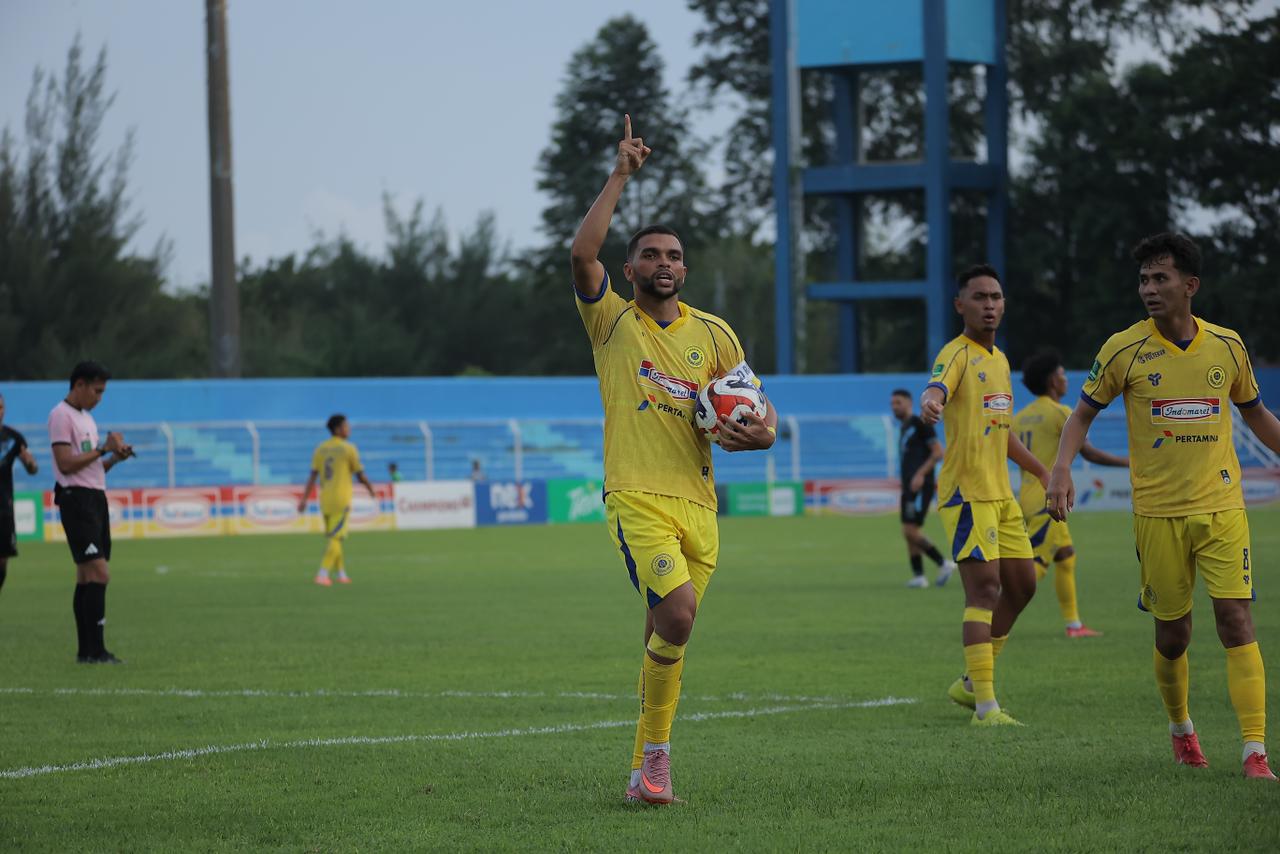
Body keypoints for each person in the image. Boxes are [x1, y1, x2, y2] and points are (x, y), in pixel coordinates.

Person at [571, 115, 778, 805]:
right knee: (680, 617)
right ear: (630, 269)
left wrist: (766, 435)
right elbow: (580, 254)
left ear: (684, 269)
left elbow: (756, 404)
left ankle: (643, 776)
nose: (665, 264)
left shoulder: (715, 334)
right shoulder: (612, 323)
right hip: (635, 494)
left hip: (699, 505)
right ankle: (658, 757)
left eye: (674, 256)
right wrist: (621, 174)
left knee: (667, 633)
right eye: (651, 255)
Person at [1047, 232, 1280, 780]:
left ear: (1189, 286)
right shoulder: (1123, 349)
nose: (1149, 289)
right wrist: (1060, 469)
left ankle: (1255, 751)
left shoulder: (1227, 346)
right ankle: (1182, 730)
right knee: (1173, 634)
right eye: (1144, 280)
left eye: (1160, 278)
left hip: (1223, 507)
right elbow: (1080, 415)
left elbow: (1256, 414)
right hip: (1157, 513)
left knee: (1236, 620)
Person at [920, 265, 1049, 726]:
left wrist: (1042, 472)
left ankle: (973, 682)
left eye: (995, 296)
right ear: (961, 305)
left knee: (1024, 585)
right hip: (967, 493)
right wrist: (931, 400)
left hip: (1002, 495)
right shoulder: (956, 354)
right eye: (979, 297)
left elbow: (1003, 431)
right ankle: (985, 708)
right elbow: (937, 385)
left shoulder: (1001, 361)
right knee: (985, 590)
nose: (989, 305)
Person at [1013, 349, 1128, 637]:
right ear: (1053, 380)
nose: (1066, 380)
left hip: (1028, 494)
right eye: (1063, 374)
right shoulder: (1061, 413)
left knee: (1065, 555)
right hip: (1047, 496)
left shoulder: (1020, 418)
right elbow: (1088, 453)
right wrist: (1129, 462)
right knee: (1037, 564)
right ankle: (993, 612)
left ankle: (1074, 625)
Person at [48, 361, 134, 663]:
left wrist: (113, 457)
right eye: (96, 391)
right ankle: (97, 650)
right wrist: (102, 449)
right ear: (79, 384)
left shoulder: (86, 418)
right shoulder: (61, 415)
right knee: (99, 571)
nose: (99, 398)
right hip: (76, 500)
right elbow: (65, 464)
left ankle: (86, 651)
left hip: (95, 497)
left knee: (87, 575)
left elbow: (91, 467)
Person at [297, 414, 376, 586]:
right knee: (335, 538)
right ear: (337, 429)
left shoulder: (320, 448)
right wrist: (371, 489)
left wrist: (303, 499)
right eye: (346, 426)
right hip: (341, 499)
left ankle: (341, 573)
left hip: (325, 499)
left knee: (334, 537)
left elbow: (312, 476)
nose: (349, 429)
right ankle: (322, 574)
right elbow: (360, 475)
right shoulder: (349, 448)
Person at [889, 389, 957, 588]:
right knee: (908, 530)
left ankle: (943, 563)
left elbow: (938, 452)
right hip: (909, 486)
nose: (894, 407)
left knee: (910, 530)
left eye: (898, 403)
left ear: (909, 403)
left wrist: (920, 474)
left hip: (920, 485)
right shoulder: (905, 427)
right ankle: (919, 576)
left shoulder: (920, 423)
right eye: (892, 403)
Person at [1, 392, 40, 594]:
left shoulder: (14, 439)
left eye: (0, 407)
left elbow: (33, 470)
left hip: (3, 509)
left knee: (2, 562)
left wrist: (30, 462)